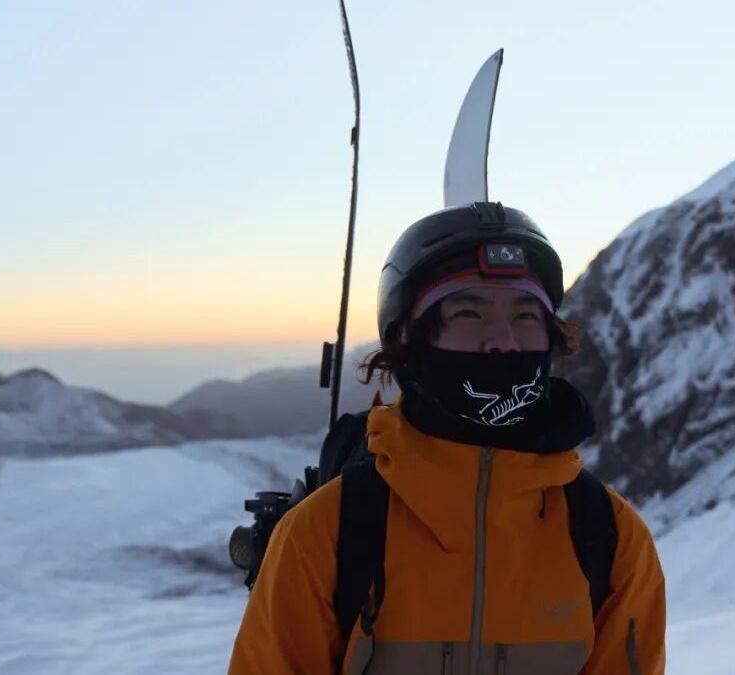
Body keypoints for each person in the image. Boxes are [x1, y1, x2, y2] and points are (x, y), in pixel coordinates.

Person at [228, 202, 666, 674]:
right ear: (409, 341)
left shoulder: (610, 538)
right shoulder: (326, 533)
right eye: (469, 313)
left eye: (525, 315)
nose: (503, 339)